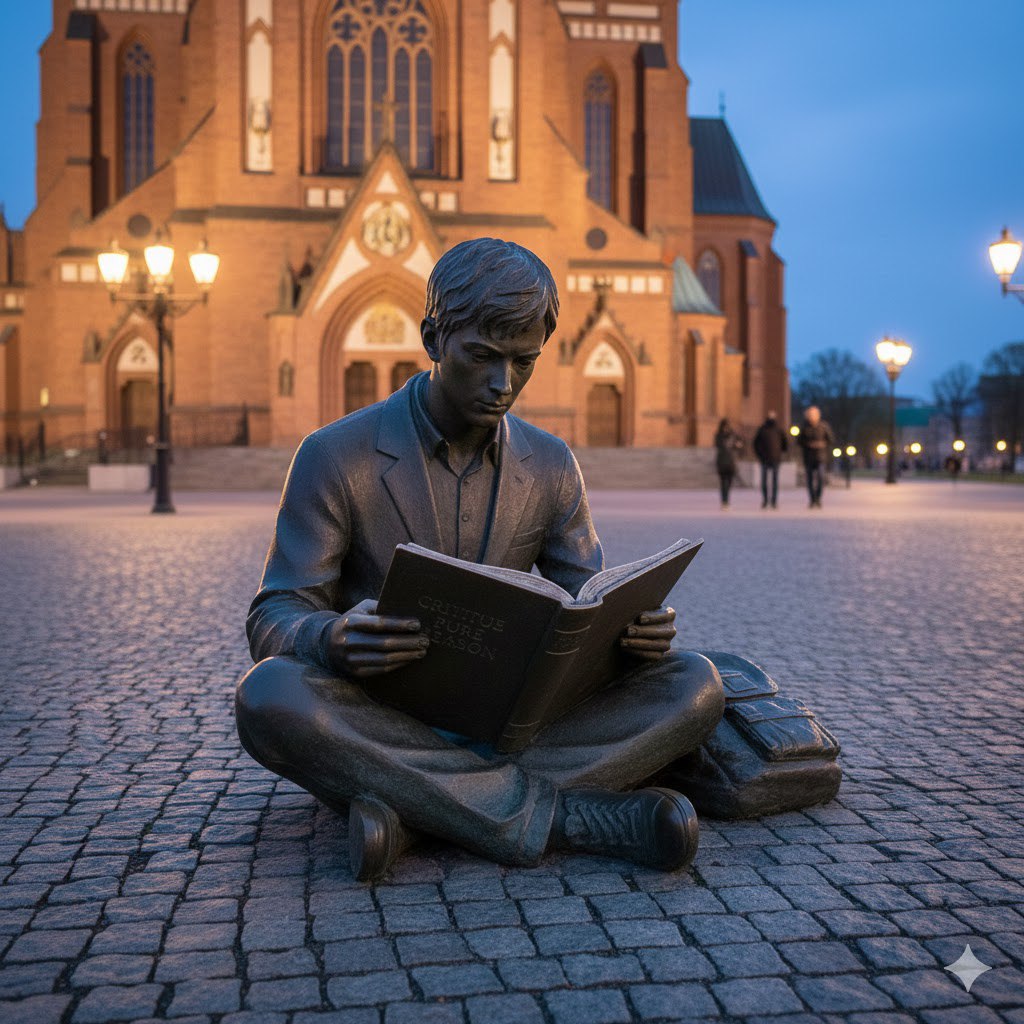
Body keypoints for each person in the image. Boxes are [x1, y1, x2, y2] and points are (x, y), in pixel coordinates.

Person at [236, 239, 725, 881]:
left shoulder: (550, 465)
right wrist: (329, 637)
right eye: (483, 357)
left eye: (525, 362)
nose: (504, 384)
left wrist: (634, 633)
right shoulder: (334, 456)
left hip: (511, 723)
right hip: (383, 717)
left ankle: (416, 813)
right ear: (434, 338)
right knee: (270, 695)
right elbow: (275, 612)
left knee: (695, 684)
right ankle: (568, 817)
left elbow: (589, 600)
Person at [796, 405, 834, 508]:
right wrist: (808, 444)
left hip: (820, 456)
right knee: (809, 480)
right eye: (810, 415)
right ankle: (812, 499)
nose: (812, 417)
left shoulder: (824, 426)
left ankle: (818, 498)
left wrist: (822, 444)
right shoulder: (804, 427)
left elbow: (830, 440)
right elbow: (799, 441)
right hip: (808, 456)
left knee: (821, 478)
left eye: (814, 415)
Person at [753, 411, 788, 508]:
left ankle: (772, 501)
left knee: (772, 481)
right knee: (768, 481)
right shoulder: (765, 430)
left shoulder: (777, 430)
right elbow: (756, 444)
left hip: (773, 458)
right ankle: (767, 500)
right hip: (767, 458)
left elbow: (785, 443)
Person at [714, 418, 743, 510]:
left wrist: (737, 445)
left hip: (730, 462)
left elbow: (739, 445)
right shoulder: (719, 436)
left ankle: (726, 499)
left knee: (729, 483)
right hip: (722, 462)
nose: (725, 428)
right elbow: (718, 445)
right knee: (723, 483)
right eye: (724, 426)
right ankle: (724, 501)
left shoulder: (733, 435)